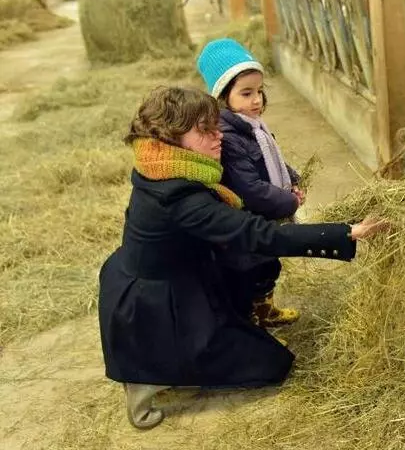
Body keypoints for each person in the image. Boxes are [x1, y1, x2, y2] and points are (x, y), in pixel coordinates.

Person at [98, 86, 384, 430]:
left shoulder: (158, 163)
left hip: (166, 273)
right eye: (205, 130)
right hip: (158, 305)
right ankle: (147, 377)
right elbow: (260, 235)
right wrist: (345, 232)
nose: (219, 136)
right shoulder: (180, 196)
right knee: (272, 364)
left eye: (215, 125)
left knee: (244, 289)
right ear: (171, 135)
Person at [196, 38, 302, 330]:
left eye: (259, 91)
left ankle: (264, 310)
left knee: (269, 266)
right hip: (246, 224)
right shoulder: (228, 137)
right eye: (246, 93)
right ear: (223, 96)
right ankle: (252, 326)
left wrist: (292, 180)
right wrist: (290, 201)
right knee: (250, 273)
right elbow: (250, 190)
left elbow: (273, 160)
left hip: (263, 216)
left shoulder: (254, 127)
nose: (256, 100)